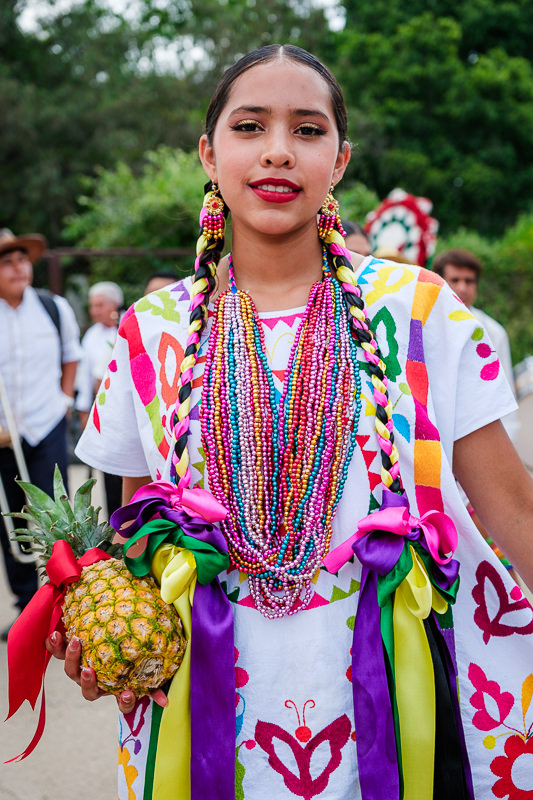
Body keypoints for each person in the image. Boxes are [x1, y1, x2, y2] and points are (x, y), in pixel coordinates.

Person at [47, 46, 533, 800]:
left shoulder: (420, 310)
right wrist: (98, 637)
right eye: (249, 126)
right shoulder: (151, 333)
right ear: (209, 154)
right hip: (205, 716)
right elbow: (133, 543)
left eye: (307, 130)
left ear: (339, 160)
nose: (277, 149)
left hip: (393, 711)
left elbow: (512, 510)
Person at [0, 228, 81, 636]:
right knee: (11, 519)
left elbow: (72, 357)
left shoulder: (54, 307)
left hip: (46, 423)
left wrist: (64, 402)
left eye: (22, 259)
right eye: (7, 262)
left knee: (56, 516)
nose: (18, 267)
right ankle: (23, 606)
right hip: (2, 434)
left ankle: (63, 603)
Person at [433, 249, 519, 443]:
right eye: (455, 280)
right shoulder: (424, 326)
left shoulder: (493, 332)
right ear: (440, 282)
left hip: (480, 435)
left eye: (469, 281)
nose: (462, 288)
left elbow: (504, 396)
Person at [75, 281, 124, 516]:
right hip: (103, 410)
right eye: (92, 305)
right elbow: (84, 378)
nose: (94, 310)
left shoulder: (129, 323)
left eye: (100, 305)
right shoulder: (91, 336)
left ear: (115, 303)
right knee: (110, 474)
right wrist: (84, 413)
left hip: (128, 407)